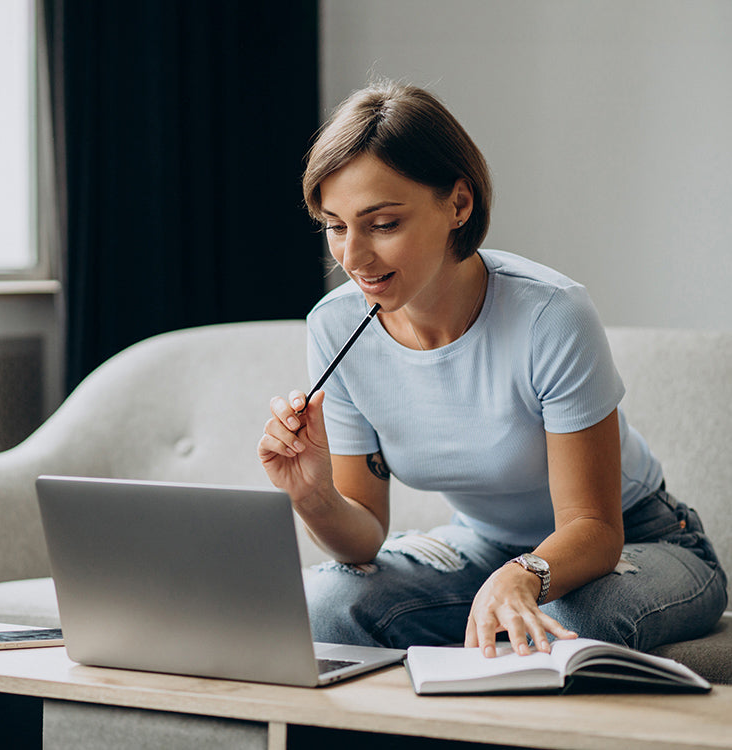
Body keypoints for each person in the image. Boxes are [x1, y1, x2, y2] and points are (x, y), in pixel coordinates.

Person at [257, 79, 727, 658]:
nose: (352, 258)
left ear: (458, 203)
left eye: (382, 224)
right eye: (335, 226)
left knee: (568, 625)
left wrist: (523, 575)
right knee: (325, 607)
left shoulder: (551, 314)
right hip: (485, 546)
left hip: (641, 537)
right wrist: (312, 495)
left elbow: (597, 530)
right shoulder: (335, 327)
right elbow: (363, 539)